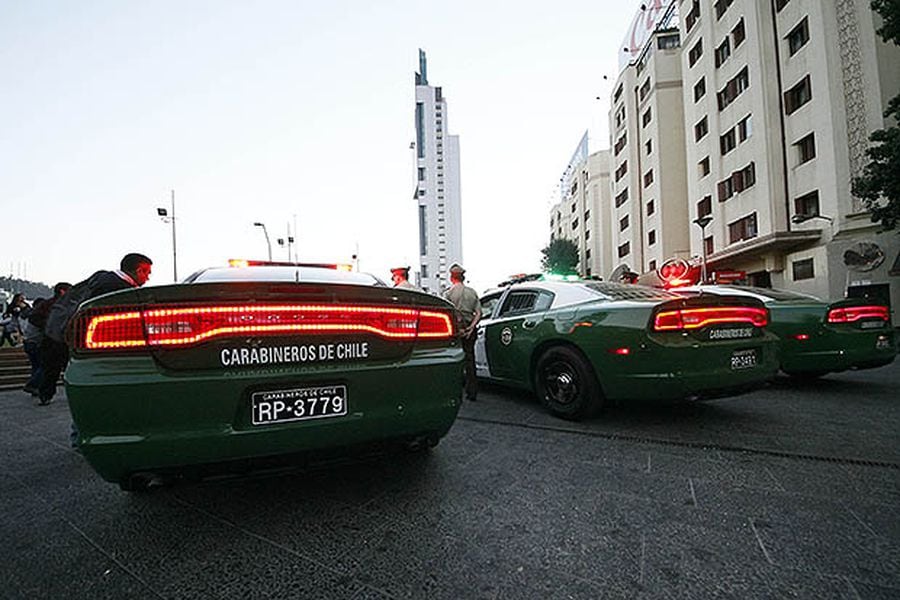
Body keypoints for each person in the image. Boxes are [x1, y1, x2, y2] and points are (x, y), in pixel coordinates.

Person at [38, 253, 152, 406]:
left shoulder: (101, 277)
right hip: (78, 336)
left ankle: (46, 395)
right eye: (147, 273)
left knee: (54, 367)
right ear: (139, 270)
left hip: (57, 328)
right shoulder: (119, 289)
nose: (148, 278)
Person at [22, 282, 72, 395]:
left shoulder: (48, 305)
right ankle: (34, 385)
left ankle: (37, 388)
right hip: (45, 341)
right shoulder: (56, 306)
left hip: (35, 341)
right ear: (62, 291)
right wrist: (51, 328)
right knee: (47, 366)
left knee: (40, 366)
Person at [444, 263, 481, 401]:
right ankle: (472, 392)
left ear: (452, 277)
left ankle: (456, 393)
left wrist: (460, 328)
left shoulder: (448, 293)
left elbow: (451, 313)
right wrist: (471, 328)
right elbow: (478, 313)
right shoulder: (472, 292)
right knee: (470, 360)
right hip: (471, 329)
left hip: (456, 330)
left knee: (456, 361)